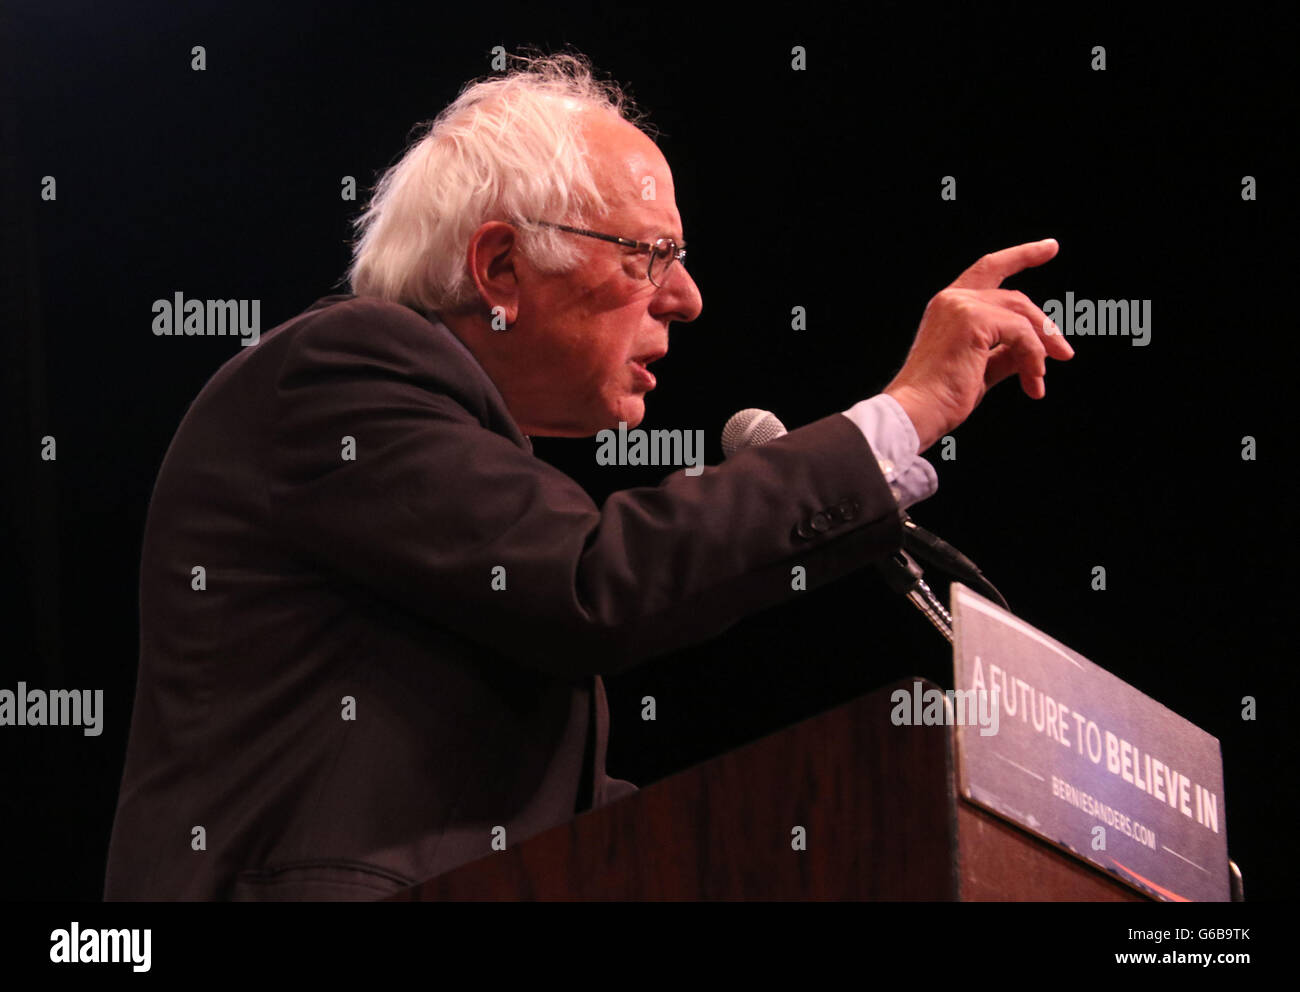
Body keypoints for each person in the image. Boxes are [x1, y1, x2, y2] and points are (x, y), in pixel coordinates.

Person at [103, 52, 1072, 901]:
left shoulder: (444, 469)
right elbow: (591, 580)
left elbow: (573, 830)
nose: (686, 299)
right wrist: (902, 414)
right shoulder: (345, 370)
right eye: (651, 254)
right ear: (498, 264)